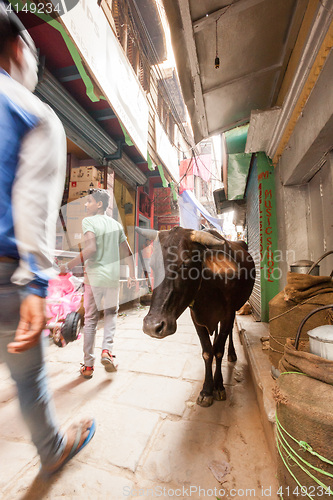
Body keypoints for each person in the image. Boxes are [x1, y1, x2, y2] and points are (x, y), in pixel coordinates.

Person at [0, 3, 95, 475]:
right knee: (30, 377)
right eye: (33, 55)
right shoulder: (34, 113)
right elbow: (31, 202)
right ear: (18, 48)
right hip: (8, 278)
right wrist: (36, 282)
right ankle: (52, 449)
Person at [60, 189, 136, 379]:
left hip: (93, 278)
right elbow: (128, 253)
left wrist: (68, 265)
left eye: (89, 202)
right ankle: (106, 351)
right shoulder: (116, 225)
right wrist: (132, 275)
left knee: (91, 320)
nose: (86, 205)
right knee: (110, 315)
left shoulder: (89, 221)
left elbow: (91, 248)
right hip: (111, 279)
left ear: (99, 205)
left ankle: (88, 366)